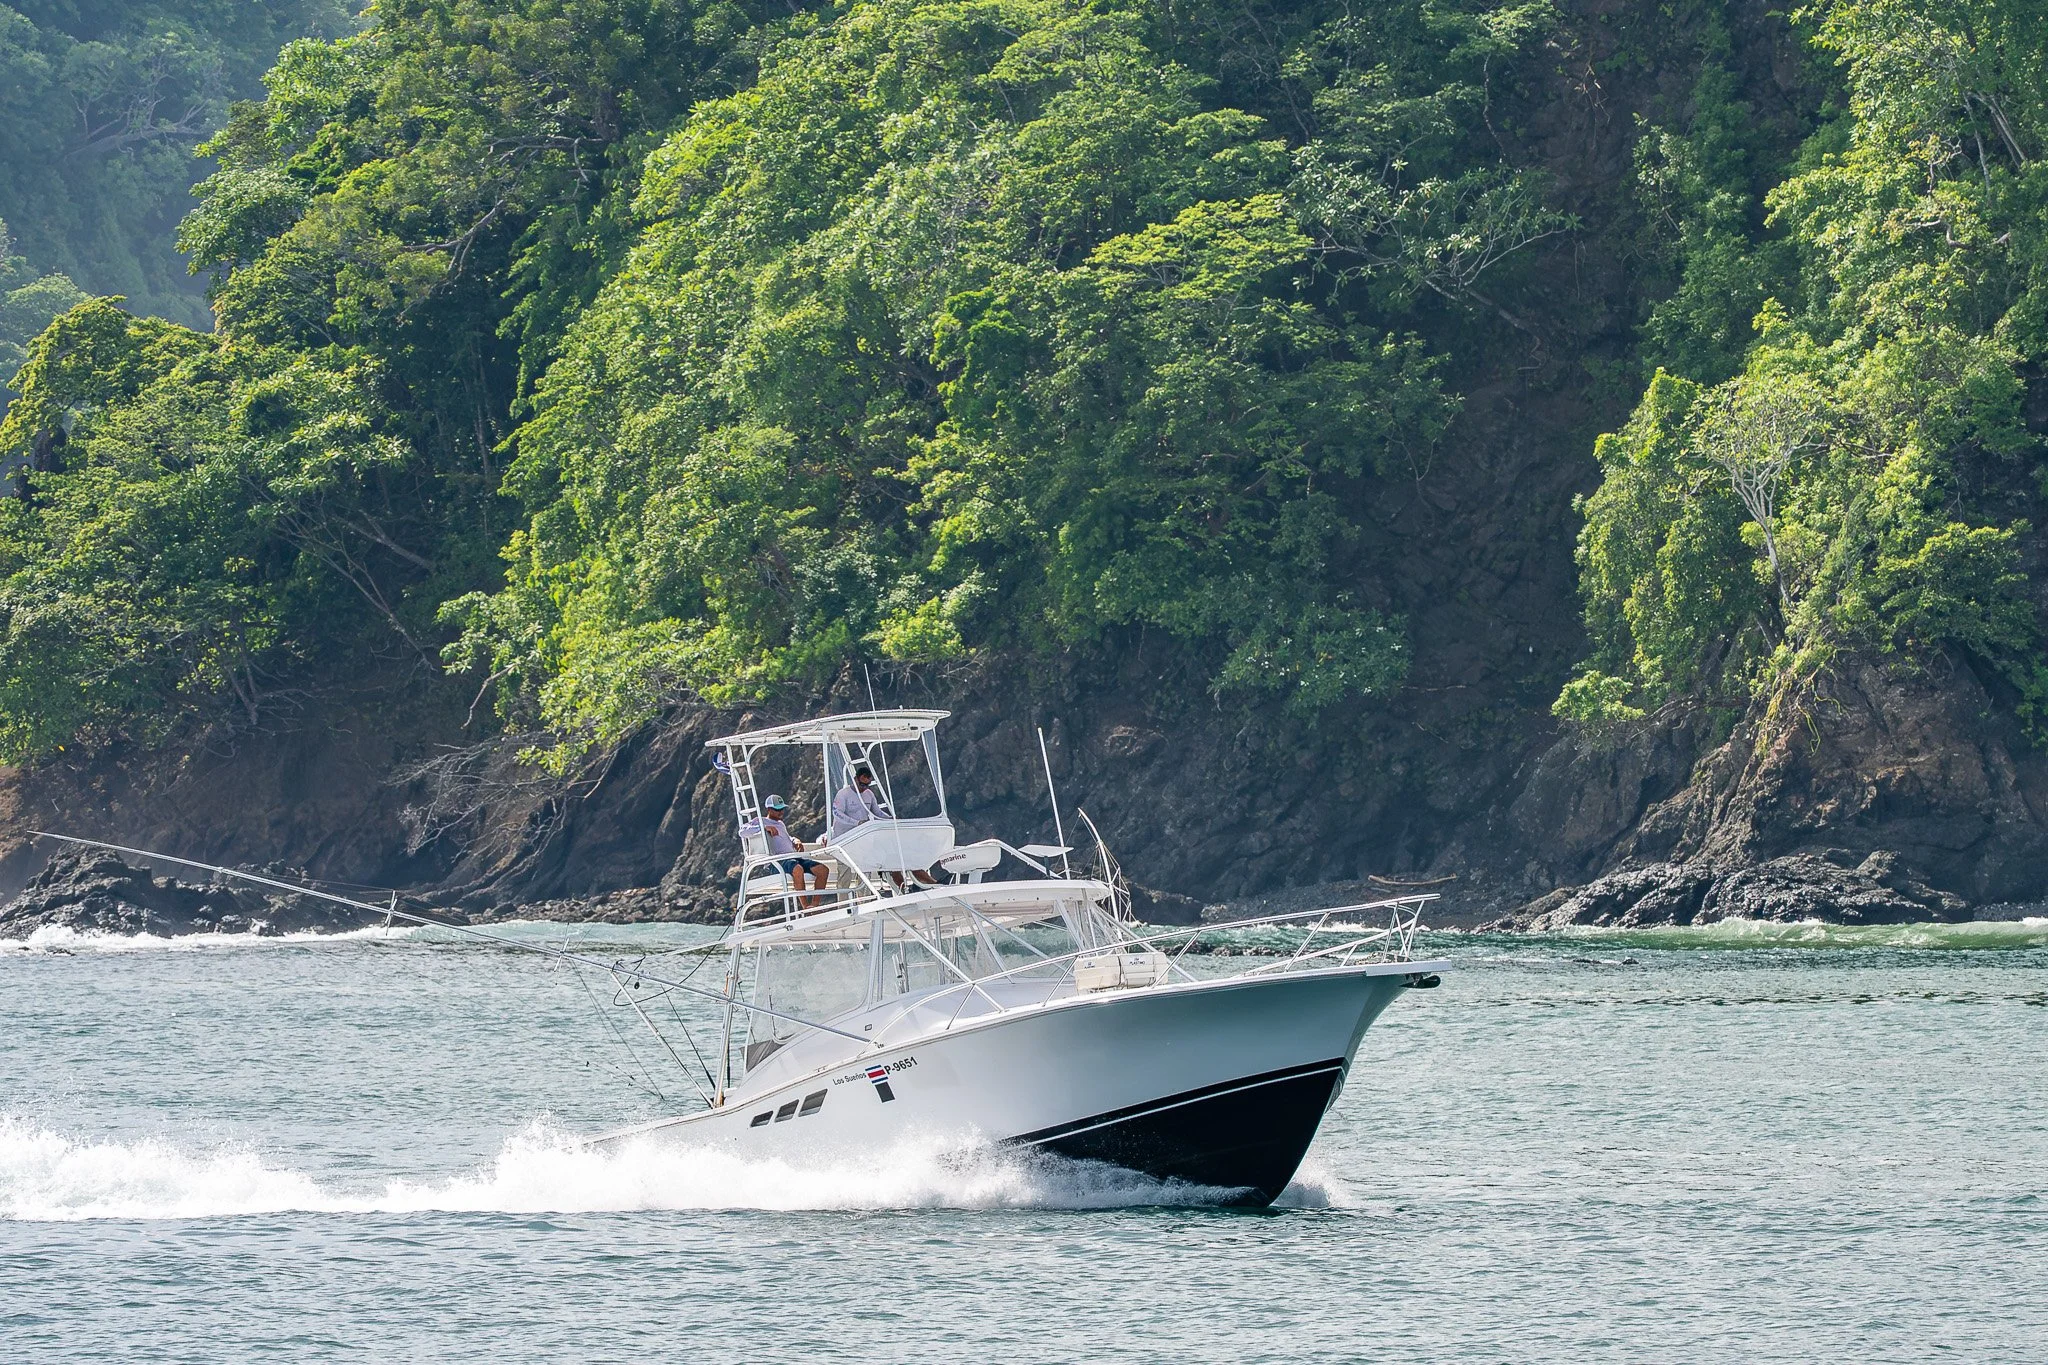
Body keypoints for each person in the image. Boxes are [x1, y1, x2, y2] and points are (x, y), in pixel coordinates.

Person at [741, 795, 828, 908]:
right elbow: (742, 831)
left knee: (823, 870)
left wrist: (794, 840)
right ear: (769, 810)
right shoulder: (760, 821)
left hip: (794, 858)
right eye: (777, 809)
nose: (781, 812)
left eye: (782, 809)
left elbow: (785, 837)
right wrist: (763, 828)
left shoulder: (781, 823)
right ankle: (805, 907)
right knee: (798, 869)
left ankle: (814, 905)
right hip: (778, 862)